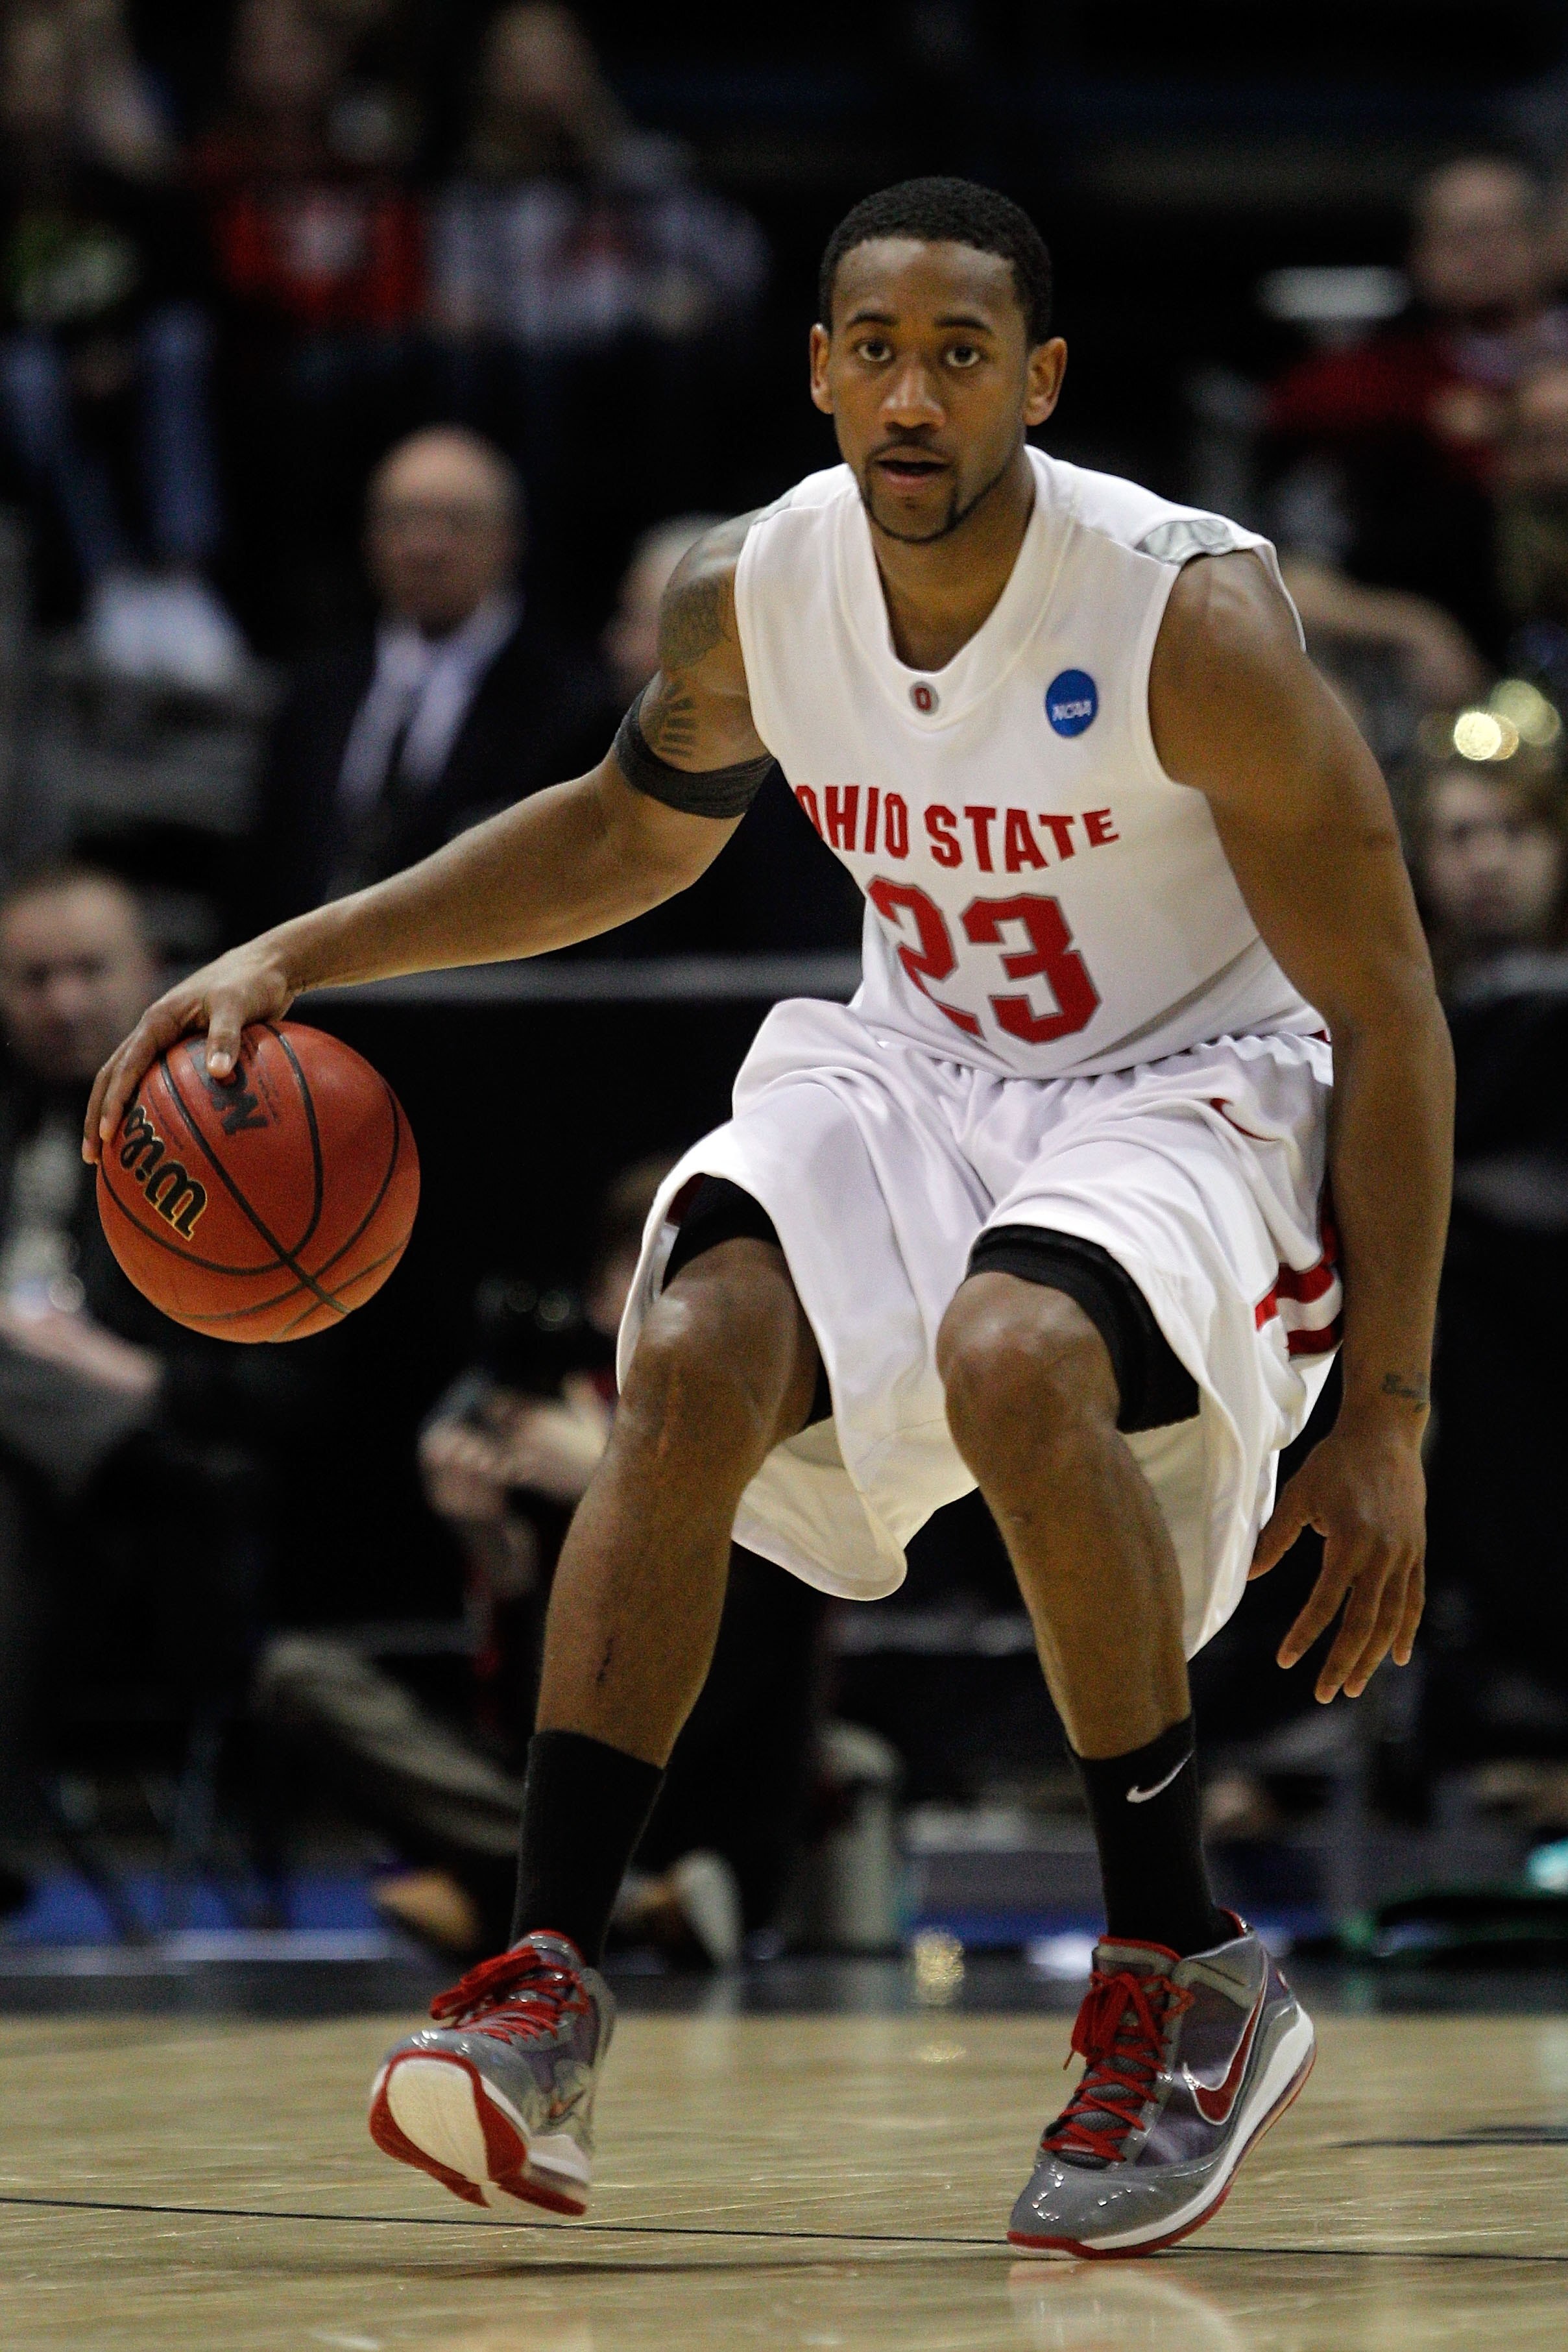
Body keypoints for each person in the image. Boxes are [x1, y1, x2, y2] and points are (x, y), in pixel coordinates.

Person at [86, 177, 1451, 2258]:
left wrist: (1390, 1414)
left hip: (1188, 1081)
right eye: (875, 348)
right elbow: (627, 832)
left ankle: (1184, 1962)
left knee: (1013, 1352)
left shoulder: (1187, 617)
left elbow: (1390, 1005)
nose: (912, 394)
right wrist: (303, 950)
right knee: (692, 1337)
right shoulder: (752, 588)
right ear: (816, 364)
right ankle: (540, 1974)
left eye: (961, 354)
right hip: (921, 1059)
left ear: (1039, 383)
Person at [0, 862, 273, 1909]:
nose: (63, 1002)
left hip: (166, 1507)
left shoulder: (239, 1131)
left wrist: (140, 1381)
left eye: (88, 971)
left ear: (152, 975)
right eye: (33, 977)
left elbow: (292, 1394)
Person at [249, 424, 608, 923]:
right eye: (401, 522)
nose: (423, 547)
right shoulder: (314, 699)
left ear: (507, 540)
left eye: (454, 523)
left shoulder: (573, 708)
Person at [0, 3, 246, 686]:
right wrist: (69, 349)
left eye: (53, 79)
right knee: (26, 376)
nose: (38, 97)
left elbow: (179, 274)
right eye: (22, 79)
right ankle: (108, 581)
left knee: (177, 342)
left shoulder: (114, 179)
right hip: (34, 372)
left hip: (122, 358)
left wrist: (114, 344)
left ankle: (179, 576)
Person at [1268, 156, 1565, 691]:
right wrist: (1415, 626)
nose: (1484, 252)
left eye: (1504, 230)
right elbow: (1291, 407)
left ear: (1550, 241)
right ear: (1420, 256)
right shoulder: (1382, 381)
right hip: (1466, 665)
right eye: (1461, 236)